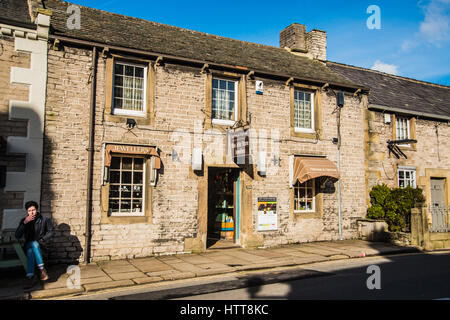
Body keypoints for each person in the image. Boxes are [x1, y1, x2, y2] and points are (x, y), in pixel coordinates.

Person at [15, 201, 54, 288]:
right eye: (29, 211)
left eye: (33, 210)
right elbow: (17, 235)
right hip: (28, 244)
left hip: (41, 246)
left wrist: (43, 239)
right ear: (27, 212)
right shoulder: (24, 221)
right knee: (32, 245)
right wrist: (24, 223)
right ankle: (42, 270)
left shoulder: (44, 220)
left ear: (37, 210)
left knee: (31, 251)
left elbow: (51, 231)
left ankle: (30, 277)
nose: (31, 212)